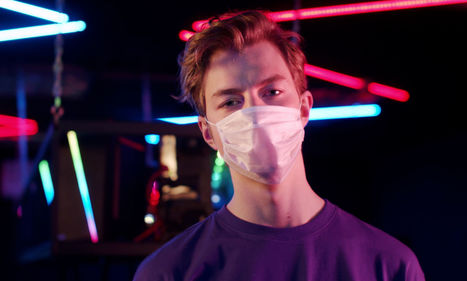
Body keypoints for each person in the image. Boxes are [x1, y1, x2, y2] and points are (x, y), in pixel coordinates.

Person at [134, 10, 425, 281]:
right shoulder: (169, 273)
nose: (255, 114)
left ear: (303, 109)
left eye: (272, 91)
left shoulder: (389, 265)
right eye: (231, 101)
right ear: (208, 133)